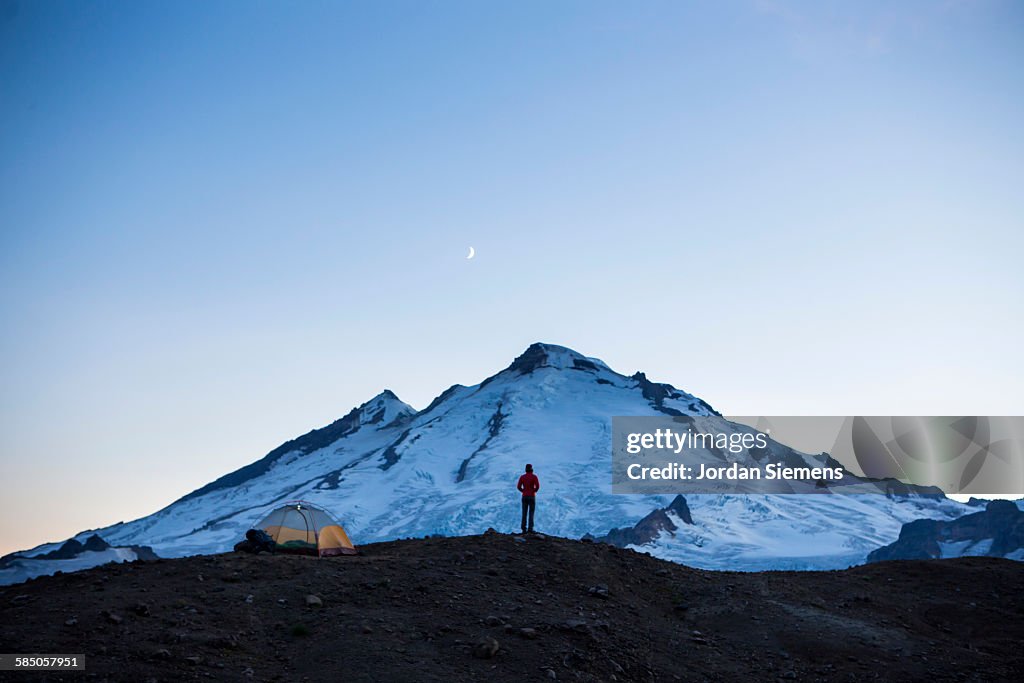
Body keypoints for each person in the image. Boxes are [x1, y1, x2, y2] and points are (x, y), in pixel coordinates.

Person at [517, 463, 540, 533]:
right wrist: (534, 491)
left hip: (524, 496)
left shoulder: (522, 477)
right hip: (531, 496)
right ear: (531, 469)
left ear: (526, 470)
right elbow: (538, 486)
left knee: (524, 512)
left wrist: (523, 491)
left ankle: (523, 529)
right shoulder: (534, 477)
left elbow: (518, 486)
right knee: (531, 512)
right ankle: (530, 528)